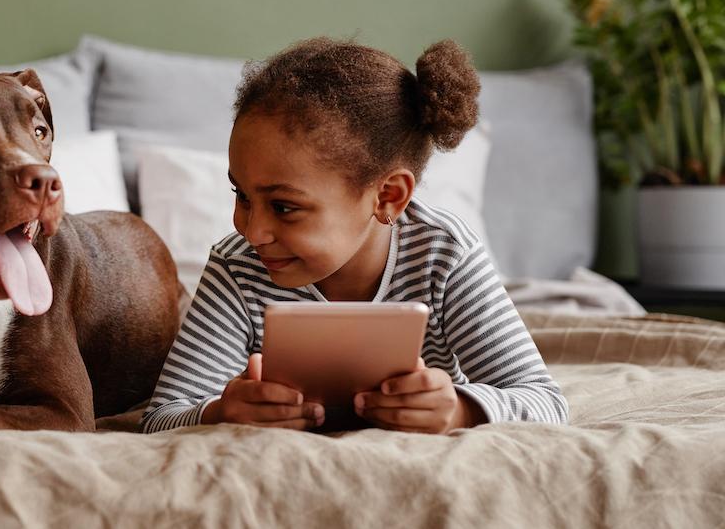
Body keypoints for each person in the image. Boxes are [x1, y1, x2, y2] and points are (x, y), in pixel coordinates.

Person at [141, 37, 568, 434]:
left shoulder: (444, 255)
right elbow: (161, 417)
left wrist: (461, 408)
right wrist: (219, 412)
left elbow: (546, 401)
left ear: (387, 196)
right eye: (242, 195)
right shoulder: (236, 269)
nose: (252, 232)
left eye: (285, 207)